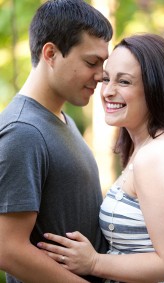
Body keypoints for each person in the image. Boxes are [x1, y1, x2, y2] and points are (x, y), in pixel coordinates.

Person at [37, 34, 164, 283]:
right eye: (106, 79)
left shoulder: (154, 158)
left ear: (155, 88)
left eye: (124, 82)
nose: (107, 91)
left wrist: (93, 262)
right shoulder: (148, 148)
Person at [0, 1, 113, 282]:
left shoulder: (61, 119)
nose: (100, 76)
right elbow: (7, 248)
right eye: (91, 62)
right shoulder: (23, 130)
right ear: (50, 53)